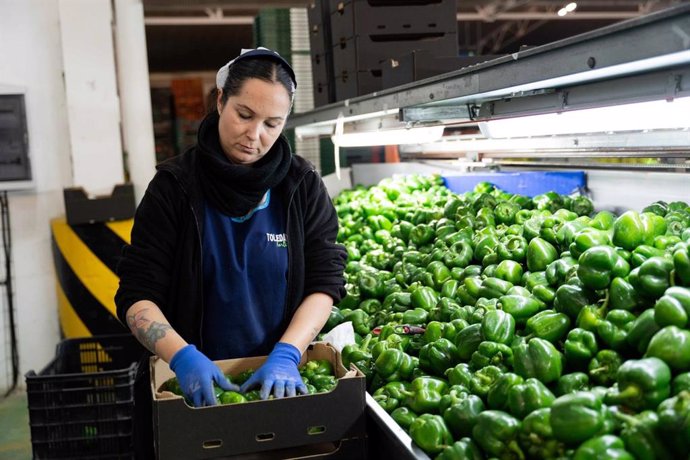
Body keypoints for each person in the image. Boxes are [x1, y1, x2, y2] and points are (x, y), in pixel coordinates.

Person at [115, 47, 347, 457]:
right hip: (188, 395)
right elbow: (136, 294)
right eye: (244, 114)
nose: (254, 135)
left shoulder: (301, 186)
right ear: (220, 100)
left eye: (272, 123)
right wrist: (181, 357)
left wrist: (288, 353)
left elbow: (325, 280)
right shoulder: (174, 187)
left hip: (277, 388)